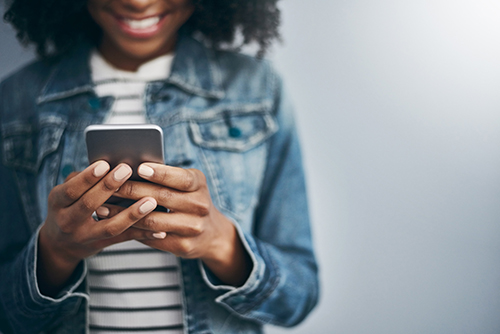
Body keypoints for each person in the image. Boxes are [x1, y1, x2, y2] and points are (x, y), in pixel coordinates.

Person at [0, 0, 319, 333]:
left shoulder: (257, 89)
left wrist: (220, 242)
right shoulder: (16, 101)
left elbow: (299, 297)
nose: (138, 3)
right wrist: (53, 252)